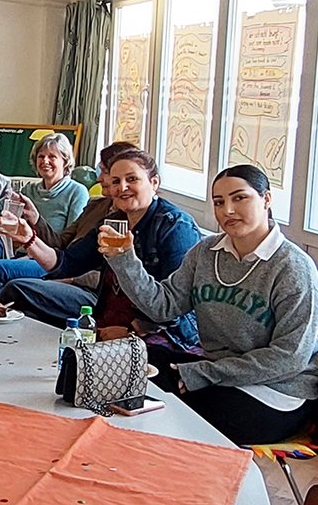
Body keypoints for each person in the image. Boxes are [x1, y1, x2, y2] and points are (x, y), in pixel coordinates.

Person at [99, 164, 318, 444]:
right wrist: (124, 259)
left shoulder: (293, 268)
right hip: (217, 372)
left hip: (277, 391)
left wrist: (203, 373)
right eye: (218, 202)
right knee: (125, 367)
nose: (227, 210)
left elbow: (290, 357)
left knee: (171, 413)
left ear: (266, 199)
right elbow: (162, 306)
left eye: (240, 198)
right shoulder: (206, 252)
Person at [1, 150, 200, 349]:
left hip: (164, 337)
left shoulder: (175, 226)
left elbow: (175, 305)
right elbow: (67, 263)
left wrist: (133, 330)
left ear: (154, 183)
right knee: (27, 321)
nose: (122, 187)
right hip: (106, 324)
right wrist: (29, 239)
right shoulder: (113, 223)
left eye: (132, 179)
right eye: (115, 181)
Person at [0, 141, 138, 294]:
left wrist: (68, 278)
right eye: (41, 156)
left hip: (76, 279)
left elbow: (108, 274)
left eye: (52, 157)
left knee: (5, 277)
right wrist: (35, 220)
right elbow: (63, 244)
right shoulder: (96, 206)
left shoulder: (81, 194)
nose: (98, 179)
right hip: (56, 262)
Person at [0, 132, 89, 235]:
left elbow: (71, 239)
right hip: (22, 251)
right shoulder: (28, 191)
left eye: (52, 157)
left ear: (65, 161)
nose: (45, 161)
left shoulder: (77, 192)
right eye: (41, 156)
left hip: (51, 259)